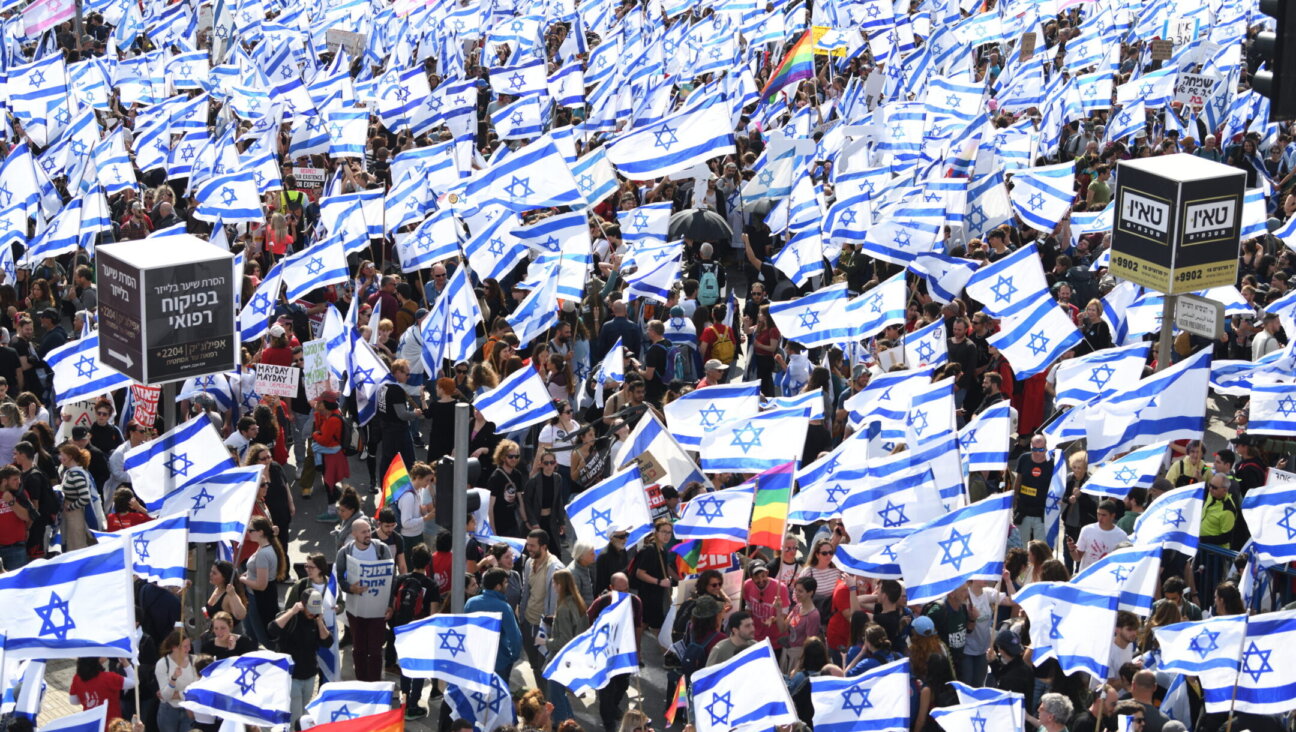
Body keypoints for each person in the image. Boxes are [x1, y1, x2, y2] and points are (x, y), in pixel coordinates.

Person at [334, 517, 395, 682]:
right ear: (354, 534)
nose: (368, 535)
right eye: (364, 532)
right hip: (356, 610)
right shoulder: (345, 553)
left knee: (375, 650)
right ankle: (361, 682)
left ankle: (374, 683)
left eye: (369, 531)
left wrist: (390, 604)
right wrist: (350, 588)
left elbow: (391, 578)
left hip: (377, 611)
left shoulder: (381, 550)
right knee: (359, 649)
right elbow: (340, 578)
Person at [387, 543, 442, 719]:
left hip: (402, 629)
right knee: (419, 669)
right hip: (420, 631)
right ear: (428, 563)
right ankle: (413, 705)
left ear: (412, 560)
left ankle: (404, 701)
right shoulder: (431, 585)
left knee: (405, 667)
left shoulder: (401, 580)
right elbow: (432, 614)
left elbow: (393, 606)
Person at [267, 588, 334, 724]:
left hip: (309, 675)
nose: (312, 612)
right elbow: (272, 630)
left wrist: (320, 621)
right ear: (302, 605)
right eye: (309, 608)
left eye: (315, 609)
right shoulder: (292, 617)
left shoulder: (316, 619)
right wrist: (291, 612)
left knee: (304, 715)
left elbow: (327, 642)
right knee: (296, 718)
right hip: (292, 676)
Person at [463, 568, 524, 682]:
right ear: (498, 586)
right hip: (499, 663)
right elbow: (515, 637)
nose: (507, 585)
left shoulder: (471, 603)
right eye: (505, 582)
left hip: (477, 661)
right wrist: (513, 656)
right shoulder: (504, 607)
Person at [520, 528, 565, 680]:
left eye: (532, 546)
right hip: (528, 622)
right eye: (528, 545)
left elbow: (556, 603)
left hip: (544, 628)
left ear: (544, 546)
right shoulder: (529, 562)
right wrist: (522, 618)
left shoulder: (555, 569)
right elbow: (526, 591)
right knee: (534, 666)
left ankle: (546, 700)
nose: (529, 549)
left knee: (544, 669)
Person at [546, 568, 590, 724]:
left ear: (559, 585)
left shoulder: (564, 607)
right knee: (560, 695)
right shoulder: (578, 603)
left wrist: (545, 642)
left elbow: (564, 641)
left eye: (554, 582)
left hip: (561, 659)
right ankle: (570, 724)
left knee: (555, 698)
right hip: (574, 658)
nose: (553, 585)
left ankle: (563, 725)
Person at [239, 515, 287, 649]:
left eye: (250, 530)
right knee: (250, 632)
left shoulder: (263, 554)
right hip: (255, 597)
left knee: (264, 637)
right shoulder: (264, 547)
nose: (248, 533)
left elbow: (261, 585)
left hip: (259, 599)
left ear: (260, 532)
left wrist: (243, 579)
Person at [70, 656, 135, 724]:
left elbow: (73, 701)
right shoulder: (110, 678)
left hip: (91, 723)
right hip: (112, 724)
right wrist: (125, 661)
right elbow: (134, 682)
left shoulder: (77, 677)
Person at [1013, 435, 1053, 542]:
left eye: (1041, 449)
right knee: (1021, 545)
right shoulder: (1024, 458)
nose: (1038, 452)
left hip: (1042, 513)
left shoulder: (1052, 463)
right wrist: (1013, 501)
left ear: (1046, 448)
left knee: (1040, 548)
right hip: (1023, 511)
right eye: (1034, 449)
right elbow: (1018, 480)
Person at [153, 629, 196, 732]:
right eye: (185, 646)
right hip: (168, 712)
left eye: (189, 645)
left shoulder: (194, 660)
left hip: (188, 709)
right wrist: (173, 679)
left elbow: (195, 690)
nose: (189, 649)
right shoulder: (162, 664)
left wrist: (179, 695)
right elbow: (166, 696)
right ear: (175, 648)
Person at [1067, 499, 1127, 570]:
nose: (1100, 518)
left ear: (1112, 516)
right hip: (1087, 577)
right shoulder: (1087, 530)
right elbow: (1077, 558)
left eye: (1104, 515)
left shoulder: (1122, 536)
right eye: (1098, 514)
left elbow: (1123, 562)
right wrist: (1072, 550)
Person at [0, 464, 32, 571]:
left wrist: (11, 501)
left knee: (18, 584)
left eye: (19, 479)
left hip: (15, 547)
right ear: (5, 481)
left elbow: (27, 517)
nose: (19, 482)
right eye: (15, 479)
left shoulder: (21, 494)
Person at [205, 561, 248, 630]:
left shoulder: (229, 595)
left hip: (229, 638)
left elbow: (241, 615)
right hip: (215, 635)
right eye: (211, 571)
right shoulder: (217, 588)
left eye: (214, 573)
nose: (210, 574)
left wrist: (233, 595)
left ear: (224, 577)